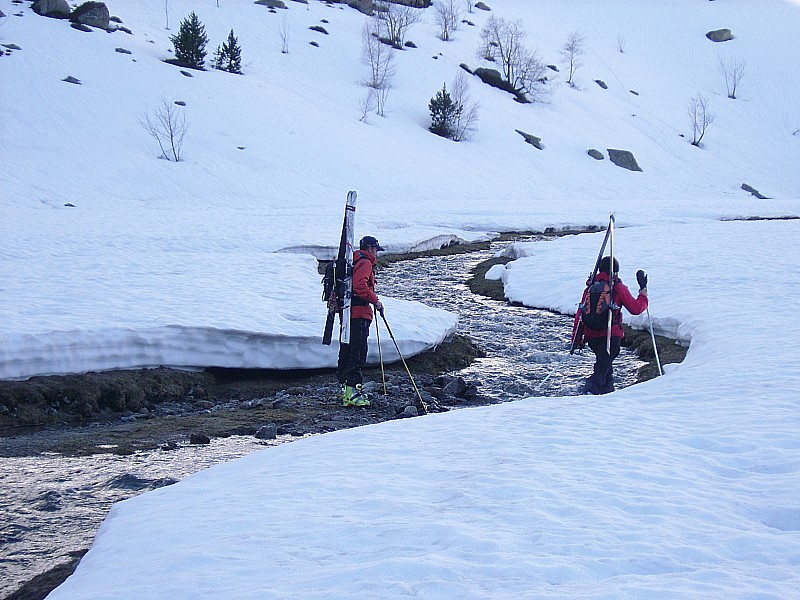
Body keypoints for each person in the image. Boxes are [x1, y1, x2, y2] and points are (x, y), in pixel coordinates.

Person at [582, 256, 649, 395]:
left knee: (605, 366)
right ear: (616, 271)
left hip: (592, 335)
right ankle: (590, 391)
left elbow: (581, 313)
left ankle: (608, 394)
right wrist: (643, 292)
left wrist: (576, 339)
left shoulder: (590, 287)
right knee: (602, 368)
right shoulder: (616, 287)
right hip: (610, 335)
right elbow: (636, 308)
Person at [336, 235, 385, 407]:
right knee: (357, 354)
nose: (376, 254)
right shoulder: (365, 263)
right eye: (376, 250)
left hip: (347, 314)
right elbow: (360, 287)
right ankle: (353, 392)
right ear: (371, 249)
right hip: (359, 314)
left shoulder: (353, 261)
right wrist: (375, 301)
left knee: (347, 352)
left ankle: (346, 391)